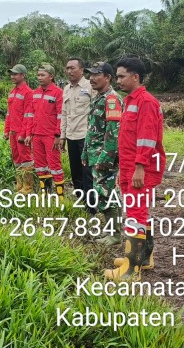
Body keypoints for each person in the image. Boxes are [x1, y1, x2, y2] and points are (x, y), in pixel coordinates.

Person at [104, 57, 165, 281]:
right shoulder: (131, 101)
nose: (118, 80)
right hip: (131, 165)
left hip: (142, 167)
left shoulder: (145, 102)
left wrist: (140, 167)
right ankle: (144, 257)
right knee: (137, 213)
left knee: (135, 215)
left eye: (121, 76)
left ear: (135, 77)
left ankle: (132, 269)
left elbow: (147, 139)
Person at [81, 62, 123, 245]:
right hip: (94, 153)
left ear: (108, 77)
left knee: (107, 193)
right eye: (90, 74)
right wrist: (84, 153)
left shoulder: (112, 99)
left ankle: (115, 235)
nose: (92, 78)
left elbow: (113, 132)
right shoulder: (98, 98)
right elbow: (92, 129)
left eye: (97, 74)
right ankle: (111, 232)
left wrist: (106, 157)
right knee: (101, 193)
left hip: (104, 156)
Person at [25, 64, 65, 196]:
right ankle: (45, 192)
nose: (39, 78)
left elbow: (61, 115)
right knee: (40, 165)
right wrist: (29, 134)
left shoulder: (58, 93)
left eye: (43, 75)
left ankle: (60, 196)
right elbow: (31, 115)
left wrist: (58, 135)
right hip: (37, 135)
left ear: (51, 76)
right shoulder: (35, 93)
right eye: (38, 75)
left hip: (50, 135)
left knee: (55, 165)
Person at [61, 58, 94, 212]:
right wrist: (62, 135)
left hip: (85, 136)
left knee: (87, 172)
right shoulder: (66, 89)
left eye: (72, 68)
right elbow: (64, 113)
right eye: (67, 68)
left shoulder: (90, 86)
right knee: (75, 172)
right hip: (71, 136)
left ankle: (91, 204)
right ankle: (80, 200)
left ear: (81, 70)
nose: (69, 71)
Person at [4, 64, 35, 194]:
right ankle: (19, 183)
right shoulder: (12, 93)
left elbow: (28, 116)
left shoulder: (28, 92)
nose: (13, 76)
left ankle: (28, 186)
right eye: (12, 74)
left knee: (26, 159)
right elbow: (9, 114)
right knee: (16, 158)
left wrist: (23, 134)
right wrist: (6, 130)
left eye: (15, 74)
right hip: (12, 132)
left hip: (21, 132)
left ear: (23, 75)